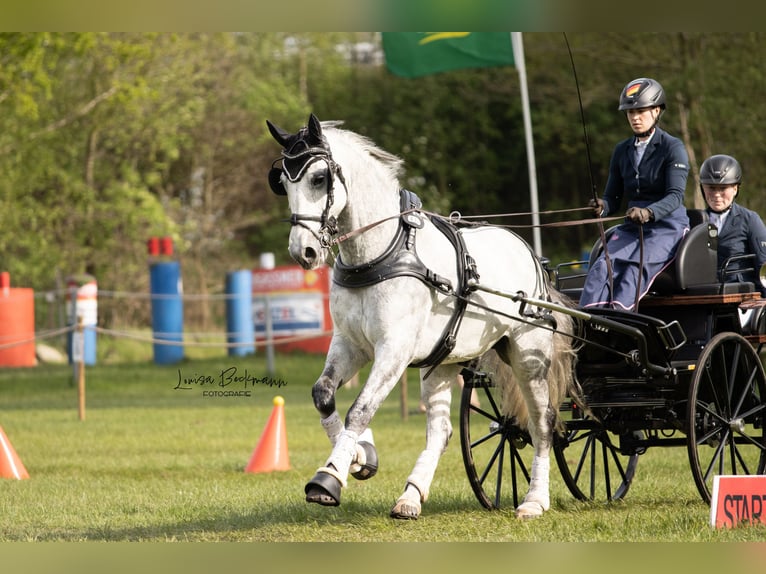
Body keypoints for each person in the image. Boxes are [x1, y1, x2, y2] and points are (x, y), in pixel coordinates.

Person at [580, 77, 690, 310]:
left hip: (666, 227)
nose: (635, 117)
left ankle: (619, 318)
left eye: (641, 111)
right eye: (630, 112)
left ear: (657, 111)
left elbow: (675, 196)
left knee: (632, 269)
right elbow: (613, 197)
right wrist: (603, 205)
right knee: (602, 266)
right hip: (632, 227)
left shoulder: (673, 147)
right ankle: (588, 320)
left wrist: (649, 212)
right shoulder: (622, 150)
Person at [699, 154, 766, 297]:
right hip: (704, 295)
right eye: (711, 188)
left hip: (740, 296)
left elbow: (764, 266)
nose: (717, 195)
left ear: (735, 189)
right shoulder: (695, 221)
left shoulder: (750, 220)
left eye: (723, 188)